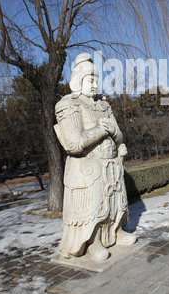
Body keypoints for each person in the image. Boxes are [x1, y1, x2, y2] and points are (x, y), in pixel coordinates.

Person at [54, 53, 136, 261]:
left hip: (110, 164)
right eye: (90, 80)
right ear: (78, 80)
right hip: (87, 167)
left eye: (96, 80)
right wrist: (101, 130)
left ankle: (115, 232)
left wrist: (116, 135)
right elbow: (74, 143)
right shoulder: (68, 104)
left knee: (114, 201)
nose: (94, 84)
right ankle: (92, 242)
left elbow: (118, 134)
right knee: (95, 205)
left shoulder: (104, 105)